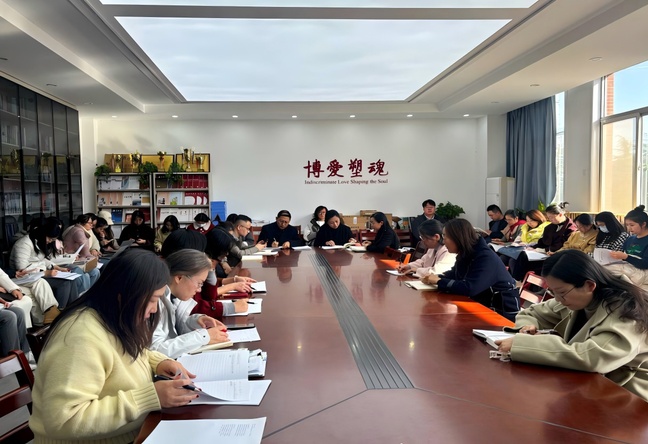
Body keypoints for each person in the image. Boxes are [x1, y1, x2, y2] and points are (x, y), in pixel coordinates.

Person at [29, 249, 197, 443]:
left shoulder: (111, 316)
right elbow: (64, 420)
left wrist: (158, 362)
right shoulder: (80, 337)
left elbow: (123, 353)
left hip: (131, 433)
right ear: (124, 294)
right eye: (152, 300)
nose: (154, 309)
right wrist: (150, 398)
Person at [495, 250, 648, 402]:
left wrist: (524, 345)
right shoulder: (579, 297)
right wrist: (527, 328)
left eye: (561, 292)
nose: (557, 299)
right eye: (553, 292)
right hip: (589, 384)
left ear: (589, 285)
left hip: (628, 397)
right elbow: (532, 313)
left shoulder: (628, 310)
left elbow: (593, 357)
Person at [422, 218, 520, 320]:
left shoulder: (484, 257)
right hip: (481, 305)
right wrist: (436, 277)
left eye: (445, 236)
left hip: (500, 313)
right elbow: (455, 274)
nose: (443, 241)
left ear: (457, 238)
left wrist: (439, 281)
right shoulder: (467, 253)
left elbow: (470, 288)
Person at [151, 249, 231, 358]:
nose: (199, 290)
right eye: (199, 283)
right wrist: (203, 337)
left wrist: (195, 321)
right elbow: (156, 350)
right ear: (179, 278)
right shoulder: (153, 302)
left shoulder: (174, 297)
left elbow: (175, 330)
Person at [160, 229, 252, 317]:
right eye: (201, 253)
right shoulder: (166, 289)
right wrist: (229, 306)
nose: (204, 255)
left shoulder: (178, 278)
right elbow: (197, 305)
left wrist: (233, 280)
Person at [10, 221, 85, 306]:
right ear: (43, 234)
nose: (50, 241)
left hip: (36, 273)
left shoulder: (38, 241)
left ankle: (73, 307)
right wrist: (44, 272)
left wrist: (56, 267)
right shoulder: (24, 244)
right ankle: (61, 310)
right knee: (64, 283)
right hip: (25, 277)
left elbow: (42, 259)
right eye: (50, 238)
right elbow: (22, 269)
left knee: (72, 280)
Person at [606, 206, 648, 290]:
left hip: (642, 271)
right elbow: (623, 255)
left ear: (643, 224)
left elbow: (645, 264)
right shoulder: (630, 239)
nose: (629, 228)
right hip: (628, 268)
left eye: (632, 225)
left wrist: (626, 257)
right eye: (627, 225)